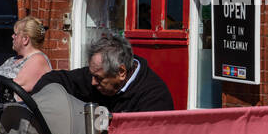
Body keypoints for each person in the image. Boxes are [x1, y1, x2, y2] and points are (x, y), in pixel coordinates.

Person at [33, 32, 174, 114]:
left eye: (99, 78)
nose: (93, 82)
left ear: (121, 72)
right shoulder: (96, 76)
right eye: (92, 75)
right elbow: (53, 79)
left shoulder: (155, 97)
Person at [0, 17, 52, 96]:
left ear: (25, 39)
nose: (12, 36)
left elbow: (15, 87)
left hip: (18, 108)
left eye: (15, 34)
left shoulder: (38, 59)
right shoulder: (13, 59)